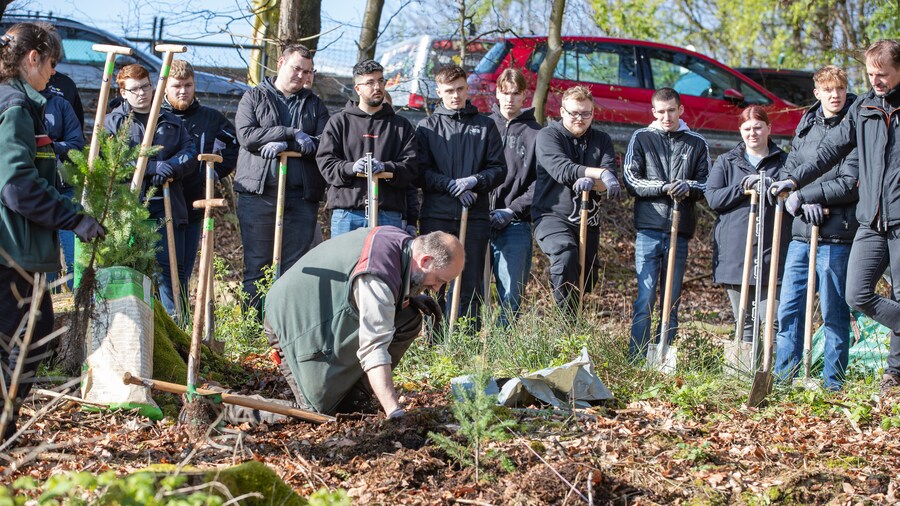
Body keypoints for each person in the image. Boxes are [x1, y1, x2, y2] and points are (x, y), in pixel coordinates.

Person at [771, 40, 900, 392]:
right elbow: (829, 150)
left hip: (887, 222)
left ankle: (891, 376)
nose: (874, 80)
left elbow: (849, 178)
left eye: (882, 74)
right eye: (870, 74)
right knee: (857, 295)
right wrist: (794, 180)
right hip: (870, 220)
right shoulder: (866, 107)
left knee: (886, 301)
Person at [0, 22, 105, 441]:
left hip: (14, 247)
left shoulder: (21, 101)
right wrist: (72, 216)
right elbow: (17, 185)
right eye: (51, 63)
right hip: (10, 250)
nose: (53, 73)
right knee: (28, 340)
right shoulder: (14, 105)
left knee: (32, 336)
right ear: (32, 59)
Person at [265, 227, 462, 416]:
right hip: (291, 320)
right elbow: (373, 349)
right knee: (315, 411)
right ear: (425, 260)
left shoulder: (402, 245)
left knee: (407, 318)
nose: (437, 288)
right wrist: (394, 411)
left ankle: (354, 398)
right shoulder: (377, 278)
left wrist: (407, 296)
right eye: (439, 279)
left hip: (324, 310)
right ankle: (238, 410)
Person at [769, 66, 859, 391]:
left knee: (835, 313)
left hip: (836, 233)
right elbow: (793, 165)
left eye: (840, 89)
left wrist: (807, 195)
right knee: (790, 308)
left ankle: (833, 386)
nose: (836, 95)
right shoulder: (807, 124)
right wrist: (791, 191)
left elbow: (850, 183)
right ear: (817, 93)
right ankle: (782, 381)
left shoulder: (855, 126)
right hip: (800, 234)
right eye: (829, 89)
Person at [234, 44, 329, 317]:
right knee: (258, 265)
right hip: (258, 195)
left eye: (307, 72)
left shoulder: (314, 105)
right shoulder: (253, 97)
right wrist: (290, 132)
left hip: (301, 198)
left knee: (293, 267)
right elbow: (248, 136)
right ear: (281, 63)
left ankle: (282, 329)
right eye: (296, 68)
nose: (301, 76)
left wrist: (291, 146)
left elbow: (324, 142)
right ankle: (252, 329)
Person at [623, 87, 709, 361]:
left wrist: (688, 186)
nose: (666, 116)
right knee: (645, 298)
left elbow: (707, 183)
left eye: (671, 110)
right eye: (660, 111)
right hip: (649, 228)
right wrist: (663, 186)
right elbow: (631, 179)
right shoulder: (642, 138)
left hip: (679, 230)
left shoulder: (696, 142)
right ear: (653, 112)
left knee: (670, 301)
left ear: (681, 109)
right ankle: (636, 359)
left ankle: (663, 357)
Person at [415, 64, 505, 325]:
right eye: (449, 90)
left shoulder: (485, 126)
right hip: (437, 216)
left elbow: (499, 169)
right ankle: (435, 342)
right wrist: (451, 185)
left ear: (467, 88)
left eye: (460, 89)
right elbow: (420, 172)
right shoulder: (427, 127)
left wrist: (475, 181)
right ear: (439, 91)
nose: (456, 95)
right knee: (434, 280)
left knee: (469, 281)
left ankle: (467, 342)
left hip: (474, 217)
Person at [105, 64, 197, 315]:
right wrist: (150, 166)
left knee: (171, 271)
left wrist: (171, 167)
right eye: (134, 89)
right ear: (123, 92)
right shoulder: (115, 122)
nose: (142, 93)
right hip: (130, 206)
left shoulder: (171, 120)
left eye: (146, 86)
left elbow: (190, 153)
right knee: (132, 269)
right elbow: (115, 160)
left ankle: (178, 325)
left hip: (167, 204)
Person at [532, 85, 622, 315]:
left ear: (593, 113)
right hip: (552, 217)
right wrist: (599, 174)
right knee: (565, 255)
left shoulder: (601, 140)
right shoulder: (548, 136)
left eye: (585, 113)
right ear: (562, 111)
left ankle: (574, 325)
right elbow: (562, 169)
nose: (579, 118)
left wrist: (594, 179)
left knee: (586, 278)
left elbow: (607, 176)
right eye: (574, 113)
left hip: (588, 221)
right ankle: (566, 326)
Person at [705, 106, 791, 344]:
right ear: (740, 131)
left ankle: (772, 374)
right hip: (736, 254)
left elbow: (794, 196)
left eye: (758, 127)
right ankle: (744, 375)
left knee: (773, 319)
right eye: (747, 128)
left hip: (772, 253)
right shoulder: (726, 161)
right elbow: (713, 198)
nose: (753, 133)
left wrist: (777, 186)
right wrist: (743, 187)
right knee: (744, 321)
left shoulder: (784, 162)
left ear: (768, 129)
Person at [317, 59, 417, 236]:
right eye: (370, 82)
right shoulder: (339, 122)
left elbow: (412, 166)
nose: (377, 87)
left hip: (388, 213)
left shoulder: (401, 126)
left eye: (380, 81)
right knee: (345, 264)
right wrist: (350, 168)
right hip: (347, 213)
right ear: (357, 89)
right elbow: (326, 162)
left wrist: (387, 168)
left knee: (385, 264)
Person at [162, 59, 238, 291]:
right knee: (162, 272)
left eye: (188, 85)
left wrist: (214, 172)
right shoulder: (156, 116)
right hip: (158, 203)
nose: (183, 91)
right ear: (165, 86)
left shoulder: (210, 118)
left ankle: (180, 320)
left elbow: (234, 145)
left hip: (194, 202)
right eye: (177, 86)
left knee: (183, 269)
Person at [486, 68, 539, 326]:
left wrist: (512, 210)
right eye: (505, 93)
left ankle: (500, 348)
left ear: (524, 96)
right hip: (477, 220)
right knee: (468, 290)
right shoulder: (483, 126)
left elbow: (542, 183)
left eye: (515, 94)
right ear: (497, 93)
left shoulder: (537, 134)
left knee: (512, 293)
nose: (509, 99)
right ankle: (466, 348)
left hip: (515, 222)